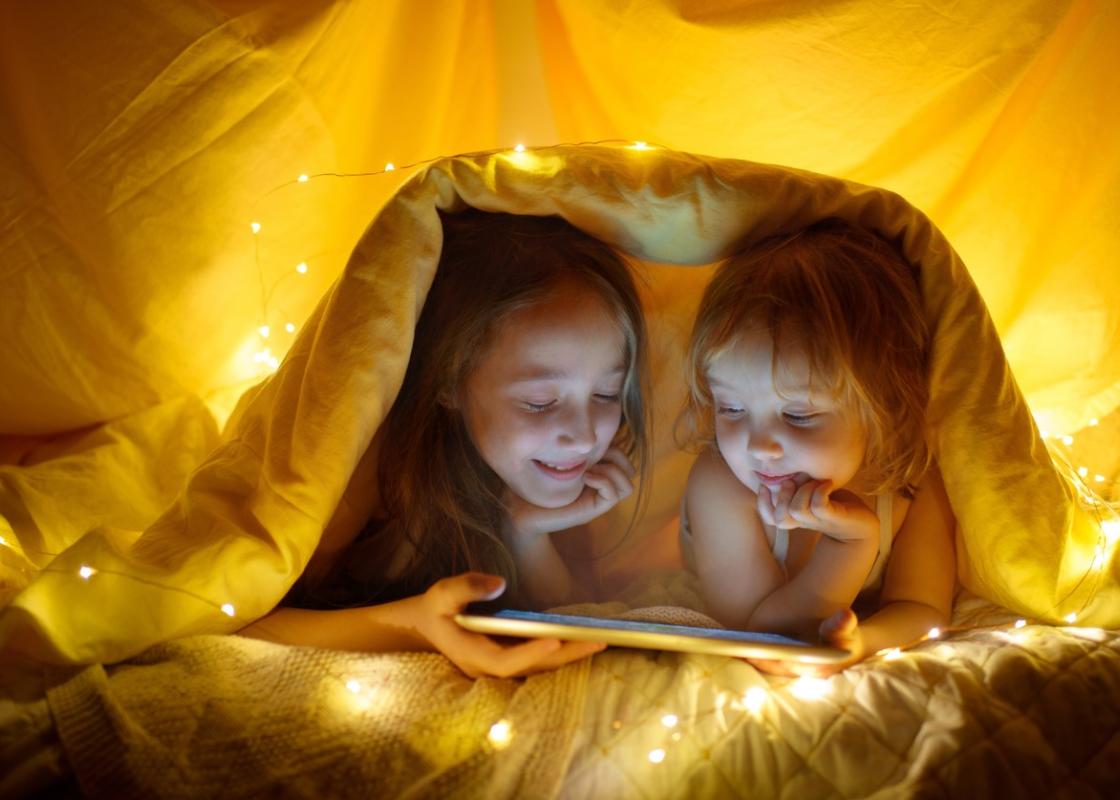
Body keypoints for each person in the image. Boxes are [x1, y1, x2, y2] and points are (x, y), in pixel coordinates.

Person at [239, 209, 651, 678]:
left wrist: (525, 534)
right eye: (539, 402)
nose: (584, 434)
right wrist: (413, 625)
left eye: (606, 394)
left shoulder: (537, 466)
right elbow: (244, 624)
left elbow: (566, 619)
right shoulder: (361, 469)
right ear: (449, 380)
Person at [679, 219, 956, 675]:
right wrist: (849, 544)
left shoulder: (910, 479)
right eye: (730, 408)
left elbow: (923, 607)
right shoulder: (721, 485)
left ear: (880, 405)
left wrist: (861, 642)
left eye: (797, 415)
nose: (758, 447)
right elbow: (767, 638)